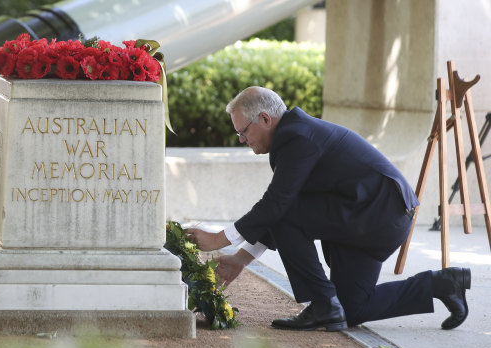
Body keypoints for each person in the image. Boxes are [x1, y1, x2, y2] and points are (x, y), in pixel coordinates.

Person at [187, 86, 471, 331]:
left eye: (243, 131)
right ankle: (443, 284)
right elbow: (283, 207)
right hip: (368, 215)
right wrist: (240, 259)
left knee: (285, 216)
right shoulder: (292, 136)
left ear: (264, 118)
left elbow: (278, 206)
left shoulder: (295, 136)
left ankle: (322, 303)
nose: (241, 139)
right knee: (350, 310)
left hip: (379, 214)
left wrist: (218, 239)